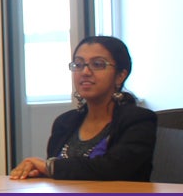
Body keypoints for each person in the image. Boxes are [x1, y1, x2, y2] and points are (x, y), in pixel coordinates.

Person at [9, 35, 156, 181]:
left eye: (98, 64)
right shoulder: (64, 122)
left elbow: (114, 169)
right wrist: (37, 170)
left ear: (120, 76)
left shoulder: (139, 120)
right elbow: (56, 173)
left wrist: (50, 167)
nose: (85, 72)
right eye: (78, 65)